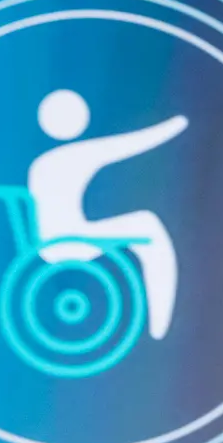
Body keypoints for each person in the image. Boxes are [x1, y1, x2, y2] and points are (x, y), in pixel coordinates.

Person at [27, 88, 187, 337]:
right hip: (69, 241)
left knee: (144, 224)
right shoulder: (72, 156)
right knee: (148, 226)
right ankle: (160, 325)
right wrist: (175, 125)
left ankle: (160, 324)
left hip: (51, 243)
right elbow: (128, 144)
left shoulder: (42, 163)